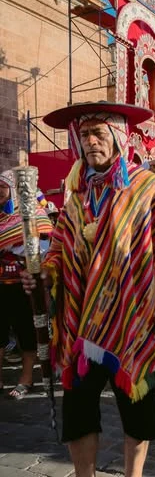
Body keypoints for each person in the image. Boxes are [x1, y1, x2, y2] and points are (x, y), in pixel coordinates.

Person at [22, 101, 155, 477]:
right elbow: (59, 252)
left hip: (137, 318)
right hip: (83, 325)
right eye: (84, 135)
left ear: (118, 137)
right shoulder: (77, 200)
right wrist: (45, 275)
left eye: (98, 133)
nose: (90, 142)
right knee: (79, 409)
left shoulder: (149, 188)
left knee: (139, 412)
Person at [0, 170, 53, 398]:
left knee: (27, 331)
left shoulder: (33, 215)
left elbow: (43, 246)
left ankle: (27, 378)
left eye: (2, 187)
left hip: (24, 286)